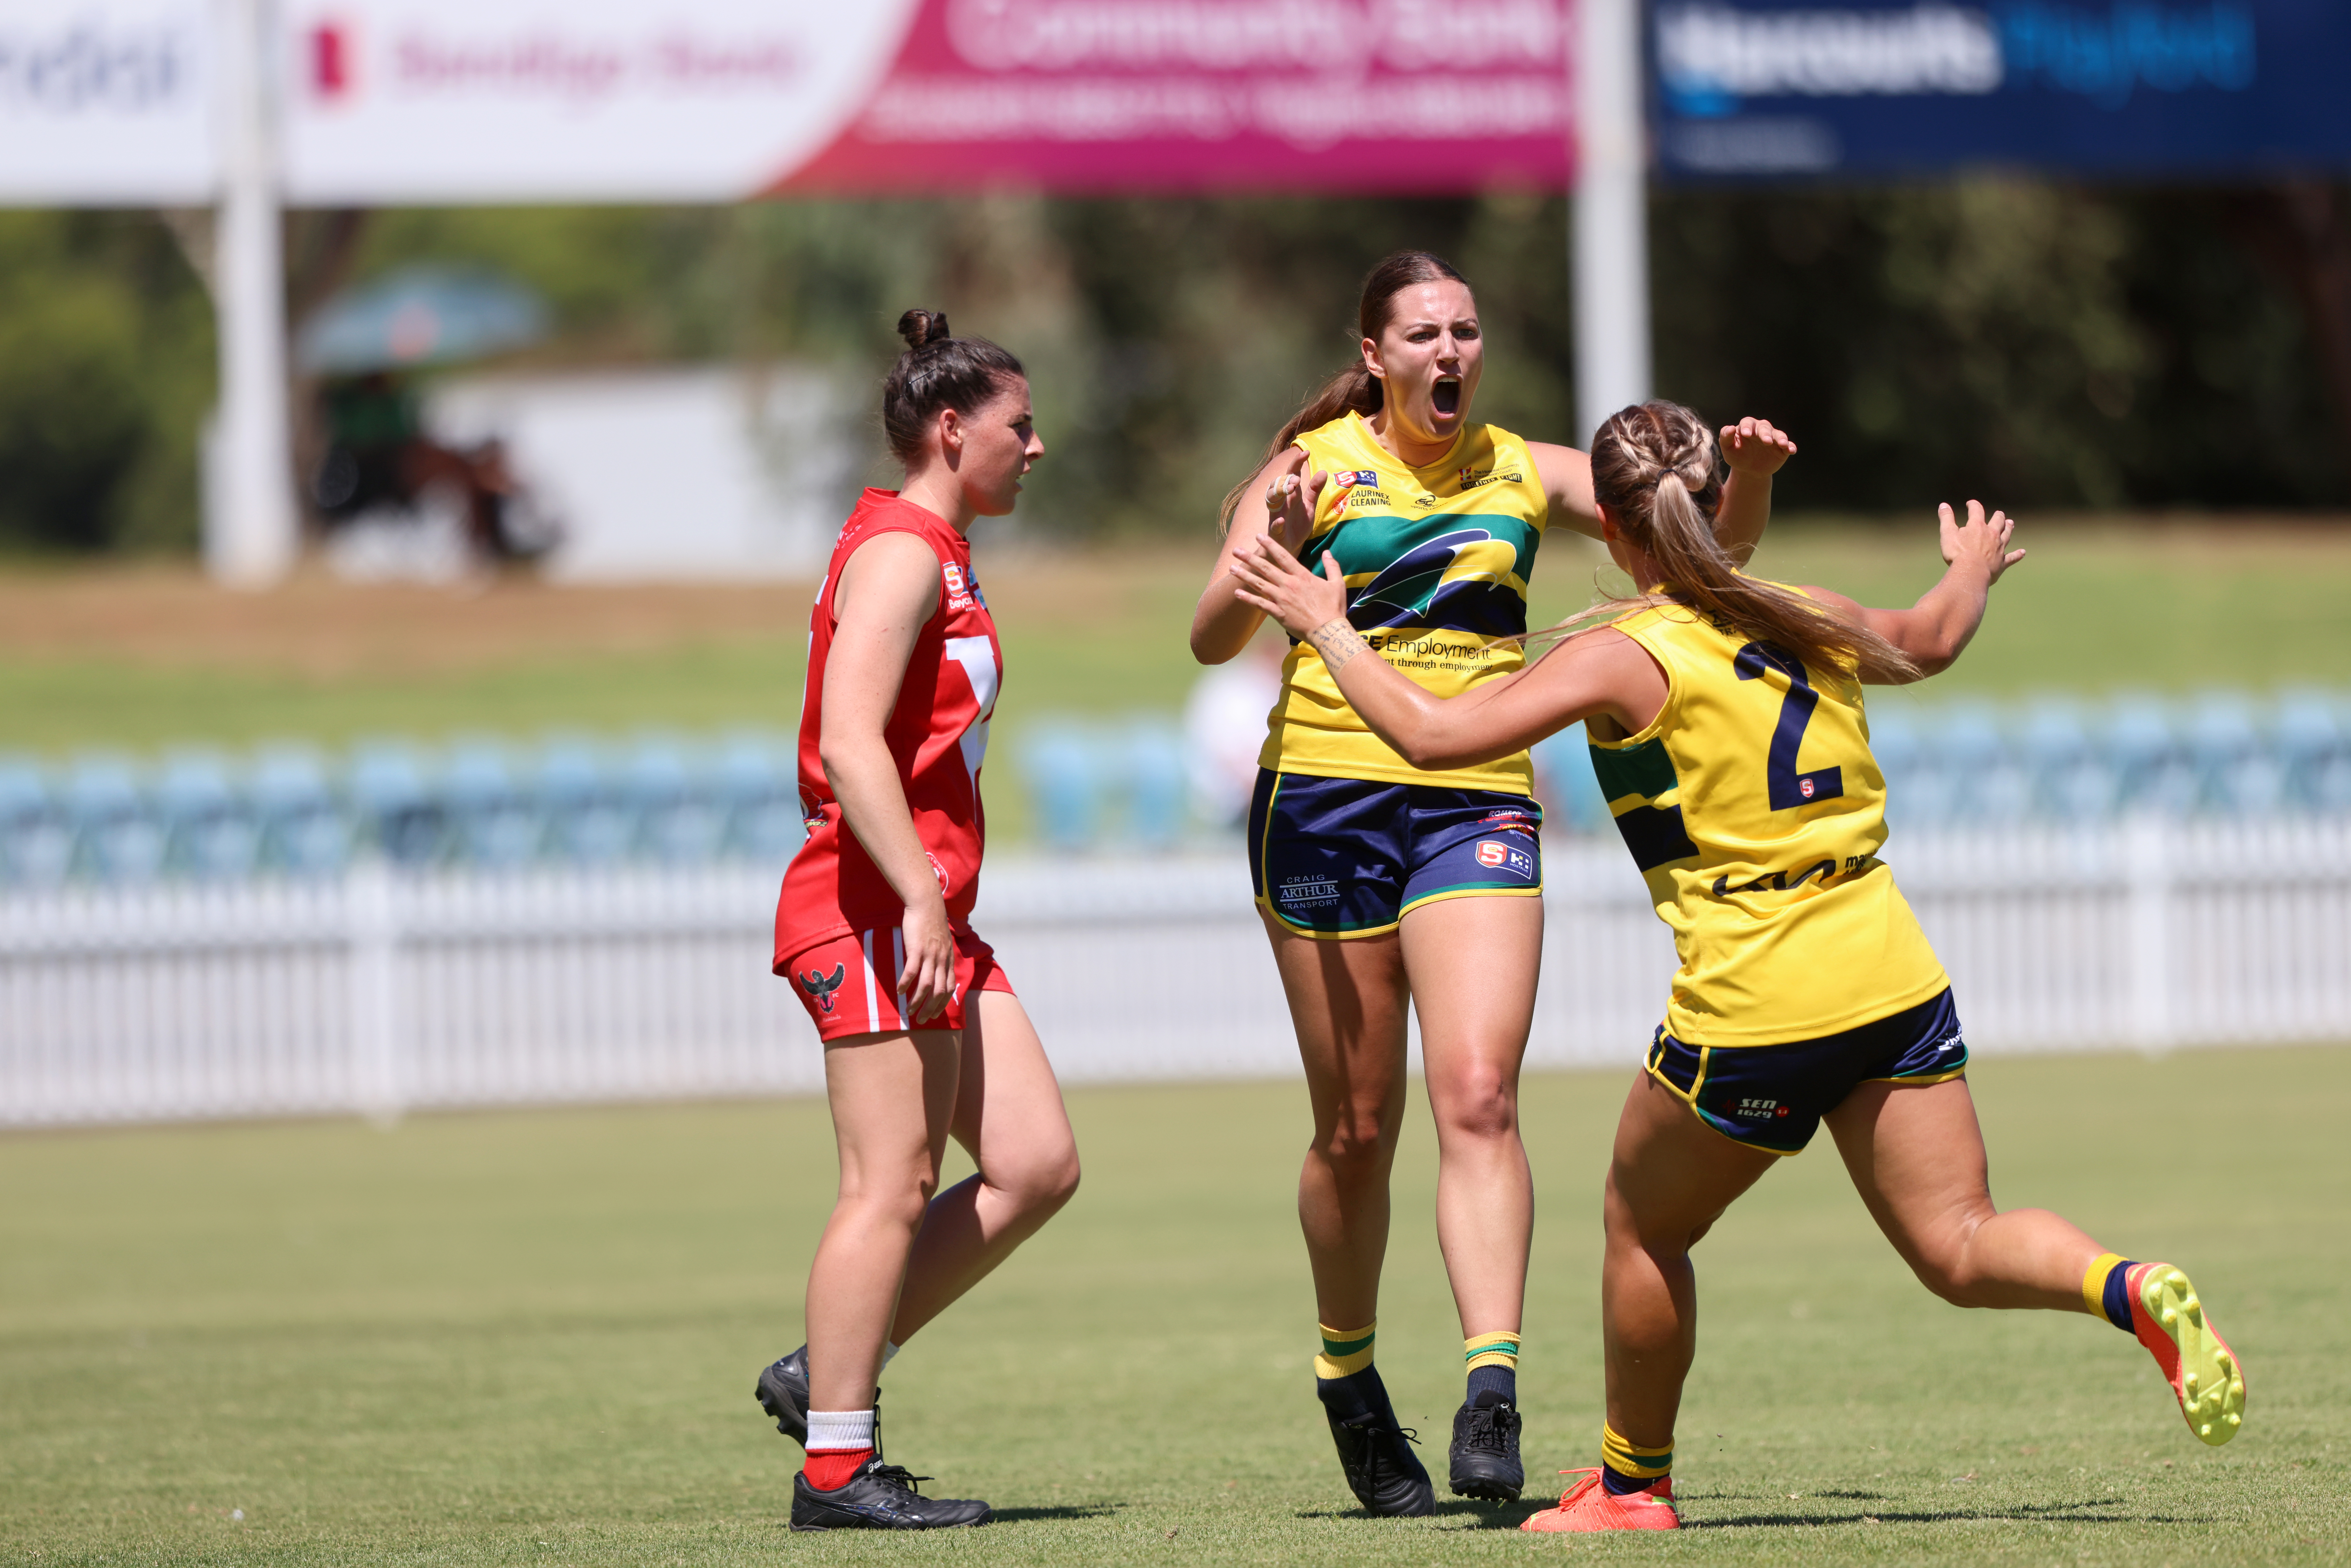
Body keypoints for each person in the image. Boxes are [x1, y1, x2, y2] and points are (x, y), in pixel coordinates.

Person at [1228, 399, 2247, 1534]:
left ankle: (1629, 1489)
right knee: (1959, 1240)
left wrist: (1328, 622)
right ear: (1714, 507)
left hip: (1757, 997)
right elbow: (1932, 634)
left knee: (1638, 1224)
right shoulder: (1804, 611)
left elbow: (1425, 737)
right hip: (1888, 971)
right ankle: (2126, 1283)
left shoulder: (1617, 658)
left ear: (1608, 530)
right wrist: (1968, 566)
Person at [1189, 249, 1798, 1514]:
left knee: (1476, 1094)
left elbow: (1696, 558)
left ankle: (1489, 1392)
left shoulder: (1521, 468)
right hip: (1319, 802)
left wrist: (1742, 481)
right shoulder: (1307, 468)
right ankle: (1348, 1377)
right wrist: (1276, 555)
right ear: (1373, 356)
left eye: (1466, 330)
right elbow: (1207, 635)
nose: (1450, 352)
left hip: (1472, 797)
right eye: (1423, 334)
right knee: (1356, 1131)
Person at [761, 310, 1082, 1532]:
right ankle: (835, 1467)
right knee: (887, 1182)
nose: (1036, 447)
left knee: (1037, 1161)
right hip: (869, 906)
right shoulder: (898, 550)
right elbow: (848, 745)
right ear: (952, 430)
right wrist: (913, 899)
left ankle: (823, 1369)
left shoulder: (936, 547)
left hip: (923, 909)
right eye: (1021, 425)